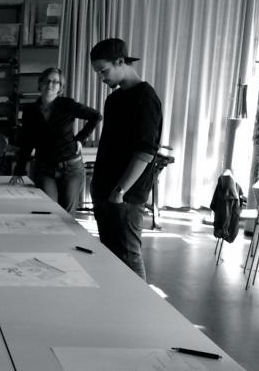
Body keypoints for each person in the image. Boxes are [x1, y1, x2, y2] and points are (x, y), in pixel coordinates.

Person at [89, 38, 162, 281]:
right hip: (104, 189)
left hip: (126, 196)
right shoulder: (114, 99)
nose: (101, 78)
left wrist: (121, 190)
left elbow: (145, 152)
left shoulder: (145, 98)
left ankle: (139, 303)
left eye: (104, 71)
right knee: (109, 255)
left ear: (121, 61)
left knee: (129, 256)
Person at [9, 67, 101, 213]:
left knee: (66, 213)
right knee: (48, 210)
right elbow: (27, 141)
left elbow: (96, 116)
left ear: (60, 87)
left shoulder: (67, 105)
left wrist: (80, 139)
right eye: (46, 81)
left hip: (71, 167)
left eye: (55, 82)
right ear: (40, 84)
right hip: (44, 168)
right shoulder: (30, 111)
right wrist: (19, 169)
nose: (50, 84)